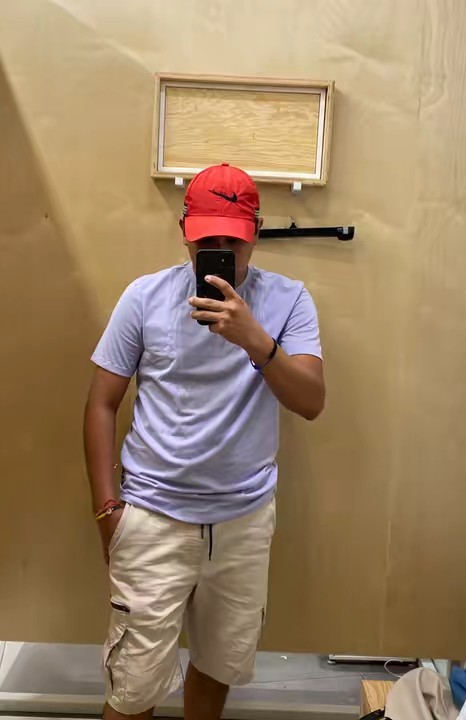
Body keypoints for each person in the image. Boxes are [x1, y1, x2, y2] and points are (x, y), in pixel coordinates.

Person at [83, 163, 325, 720]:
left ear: (255, 233)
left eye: (232, 242)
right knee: (132, 689)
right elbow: (100, 403)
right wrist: (105, 510)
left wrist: (255, 339)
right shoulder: (144, 297)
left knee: (217, 670)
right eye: (206, 241)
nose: (219, 253)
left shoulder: (289, 301)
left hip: (243, 521)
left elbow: (311, 401)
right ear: (184, 232)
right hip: (152, 515)